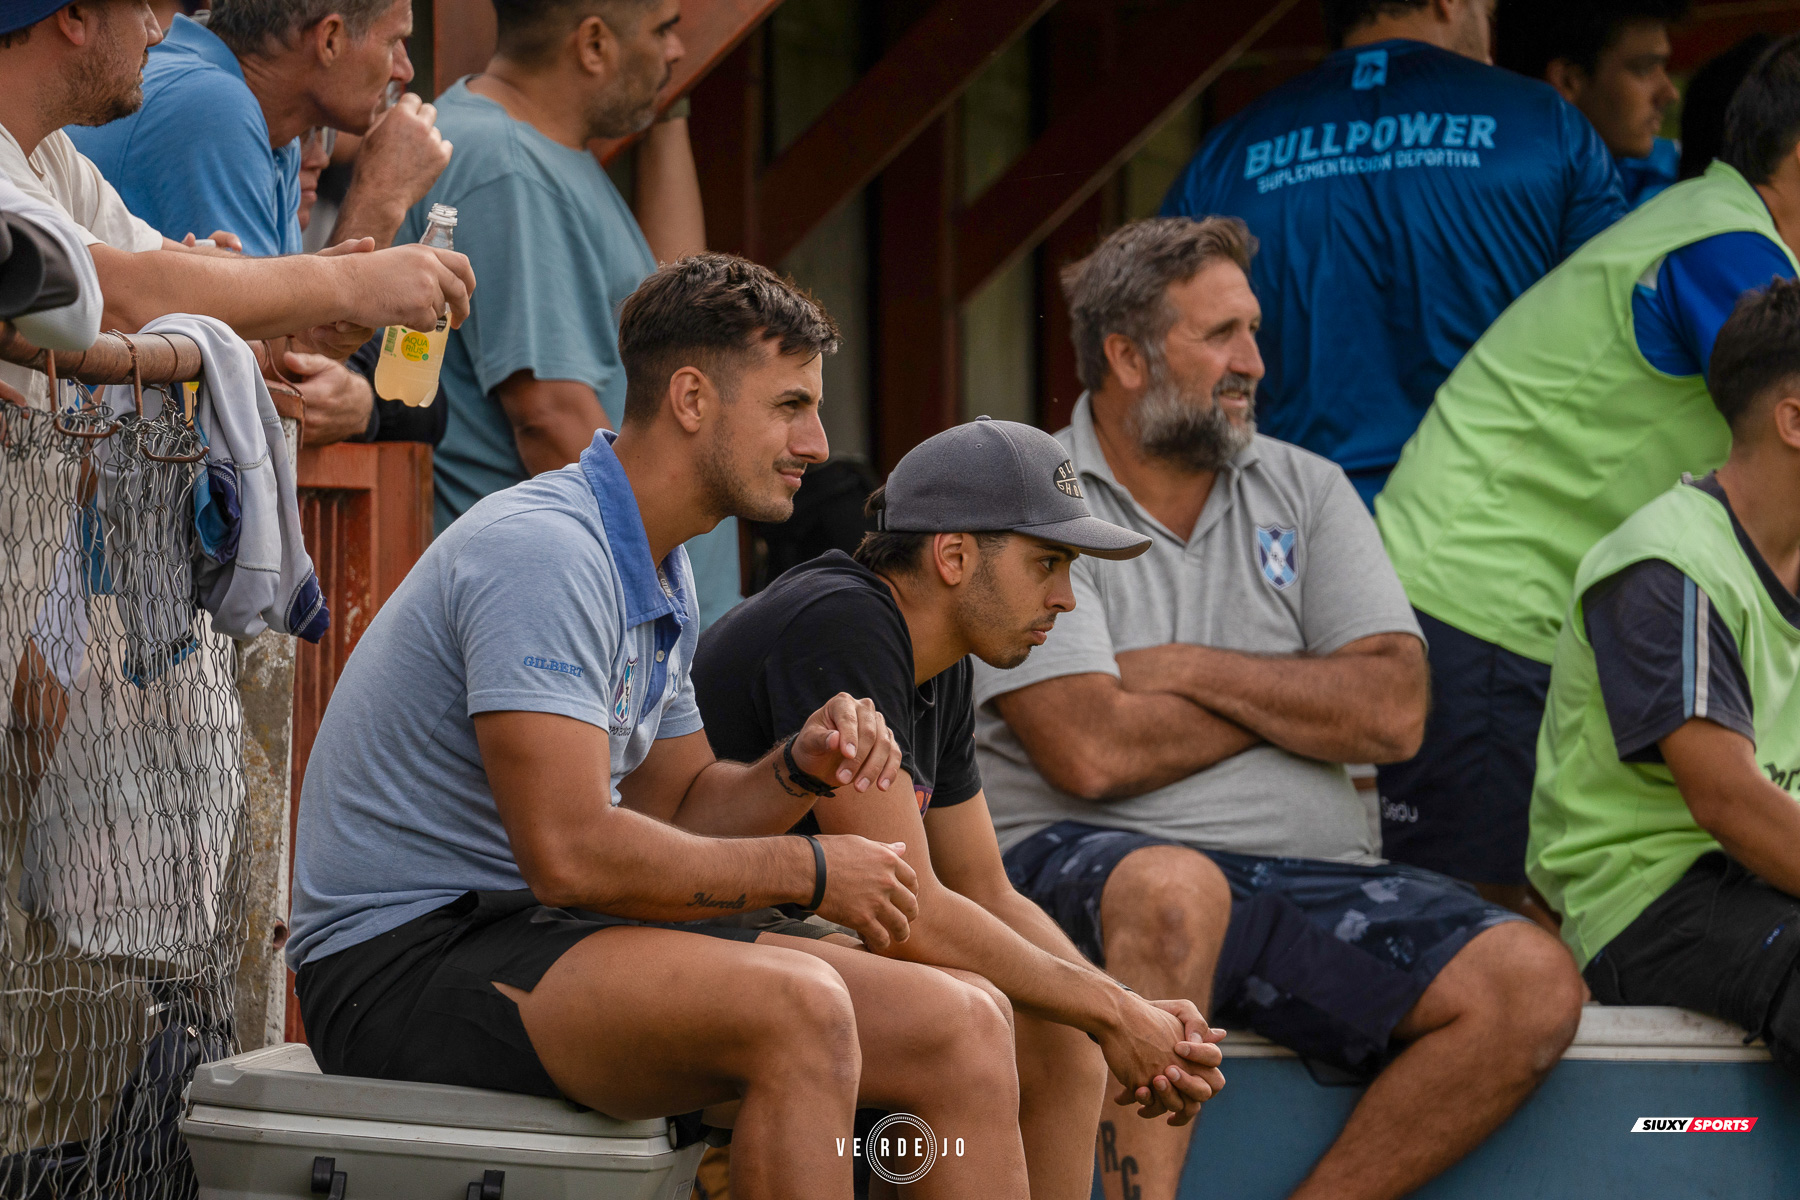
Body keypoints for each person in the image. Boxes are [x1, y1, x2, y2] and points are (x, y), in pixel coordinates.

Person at [287, 254, 1054, 1199]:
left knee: (967, 1022)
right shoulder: (547, 551)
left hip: (535, 929)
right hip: (399, 964)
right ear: (691, 397)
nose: (817, 443)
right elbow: (569, 852)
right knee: (801, 1007)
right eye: (789, 405)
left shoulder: (663, 564)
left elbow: (683, 807)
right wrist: (811, 870)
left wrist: (796, 774)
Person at [975, 217, 1583, 1200]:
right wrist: (1301, 689)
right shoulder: (1024, 490)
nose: (1253, 361)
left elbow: (1392, 713)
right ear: (1126, 356)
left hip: (1302, 881)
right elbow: (1091, 748)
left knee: (1533, 983)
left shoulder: (1310, 487)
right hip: (1072, 878)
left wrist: (1181, 668)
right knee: (1177, 891)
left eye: (1252, 332)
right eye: (1220, 335)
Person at [692, 418, 1227, 1200]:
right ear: (952, 556)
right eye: (1047, 562)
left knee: (1066, 1040)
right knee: (975, 1017)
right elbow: (910, 913)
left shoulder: (940, 664)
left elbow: (985, 887)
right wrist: (1115, 1011)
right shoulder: (845, 619)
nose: (1067, 598)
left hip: (787, 943)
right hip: (668, 938)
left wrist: (1123, 1013)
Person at [1375, 34, 1800, 909]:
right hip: (1482, 593)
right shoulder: (1725, 247)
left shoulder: (1724, 233)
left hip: (1526, 600)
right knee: (1471, 922)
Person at [1160, 0, 1625, 508]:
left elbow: (1163, 365)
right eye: (1489, 12)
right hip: (1491, 536)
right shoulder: (1548, 127)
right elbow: (1621, 345)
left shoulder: (1223, 159)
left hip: (1288, 534)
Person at [1529, 279, 1800, 1070]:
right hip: (1650, 902)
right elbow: (1727, 803)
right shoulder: (1665, 563)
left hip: (1765, 883)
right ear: (1794, 419)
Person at [399, 0, 738, 627]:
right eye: (663, 29)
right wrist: (655, 604)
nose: (677, 51)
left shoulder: (538, 151)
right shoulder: (507, 168)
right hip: (577, 617)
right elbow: (552, 421)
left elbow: (682, 306)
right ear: (593, 45)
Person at [0, 0, 477, 413]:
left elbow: (157, 258)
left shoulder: (50, 151)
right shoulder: (210, 100)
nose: (155, 30)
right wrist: (352, 277)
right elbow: (118, 293)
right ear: (75, 14)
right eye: (139, 6)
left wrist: (312, 311)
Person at [1497, 0, 1687, 208]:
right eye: (1643, 69)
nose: (1670, 93)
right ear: (1568, 80)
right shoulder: (1500, 194)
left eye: (1664, 67)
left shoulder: (1684, 173)